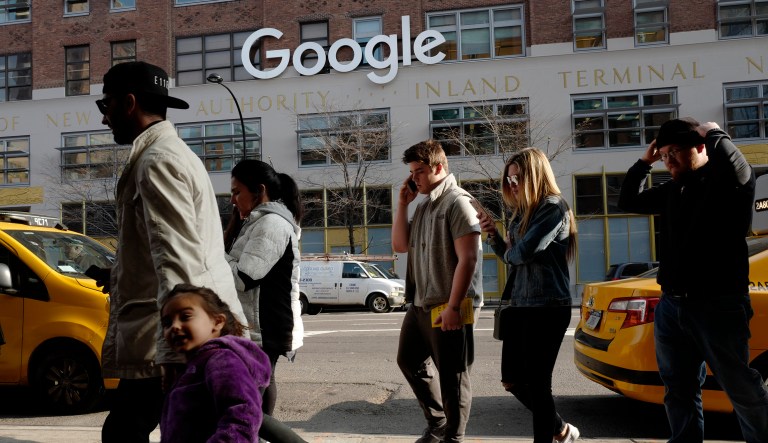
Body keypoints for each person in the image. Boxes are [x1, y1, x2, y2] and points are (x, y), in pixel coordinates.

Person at [94, 61, 248, 443]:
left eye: (106, 105)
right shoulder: (170, 154)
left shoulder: (156, 161)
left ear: (128, 103)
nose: (104, 118)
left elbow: (177, 260)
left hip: (165, 343)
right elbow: (162, 251)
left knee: (123, 433)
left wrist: (175, 352)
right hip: (175, 334)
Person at [618, 118, 768, 443]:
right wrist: (645, 162)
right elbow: (627, 201)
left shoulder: (728, 183)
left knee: (740, 387)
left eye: (675, 152)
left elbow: (737, 165)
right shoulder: (673, 190)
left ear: (699, 147)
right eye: (664, 154)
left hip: (718, 305)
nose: (668, 160)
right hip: (672, 305)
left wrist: (713, 132)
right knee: (678, 389)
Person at [477, 147, 579, 443]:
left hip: (547, 306)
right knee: (512, 380)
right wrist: (494, 236)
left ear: (534, 175)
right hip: (521, 304)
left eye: (517, 178)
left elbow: (523, 253)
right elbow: (511, 256)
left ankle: (549, 436)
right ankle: (560, 428)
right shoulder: (521, 212)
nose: (512, 185)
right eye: (508, 180)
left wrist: (510, 250)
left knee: (537, 383)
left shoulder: (553, 207)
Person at [392, 139, 483, 443]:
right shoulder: (425, 205)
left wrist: (454, 307)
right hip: (420, 303)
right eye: (412, 173)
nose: (414, 178)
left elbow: (468, 259)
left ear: (439, 167)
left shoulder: (457, 202)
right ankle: (439, 423)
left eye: (419, 172)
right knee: (408, 361)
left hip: (447, 304)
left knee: (453, 377)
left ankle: (453, 438)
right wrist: (403, 203)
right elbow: (400, 245)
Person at [225, 159, 304, 418]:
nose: (233, 200)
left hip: (264, 327)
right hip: (260, 326)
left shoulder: (272, 225)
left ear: (259, 190)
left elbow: (245, 278)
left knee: (250, 400)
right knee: (259, 392)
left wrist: (213, 254)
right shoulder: (258, 223)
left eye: (237, 192)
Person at [160, 283, 270, 443]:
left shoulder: (222, 361)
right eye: (167, 323)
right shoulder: (191, 367)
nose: (174, 327)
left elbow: (242, 415)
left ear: (217, 322)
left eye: (185, 317)